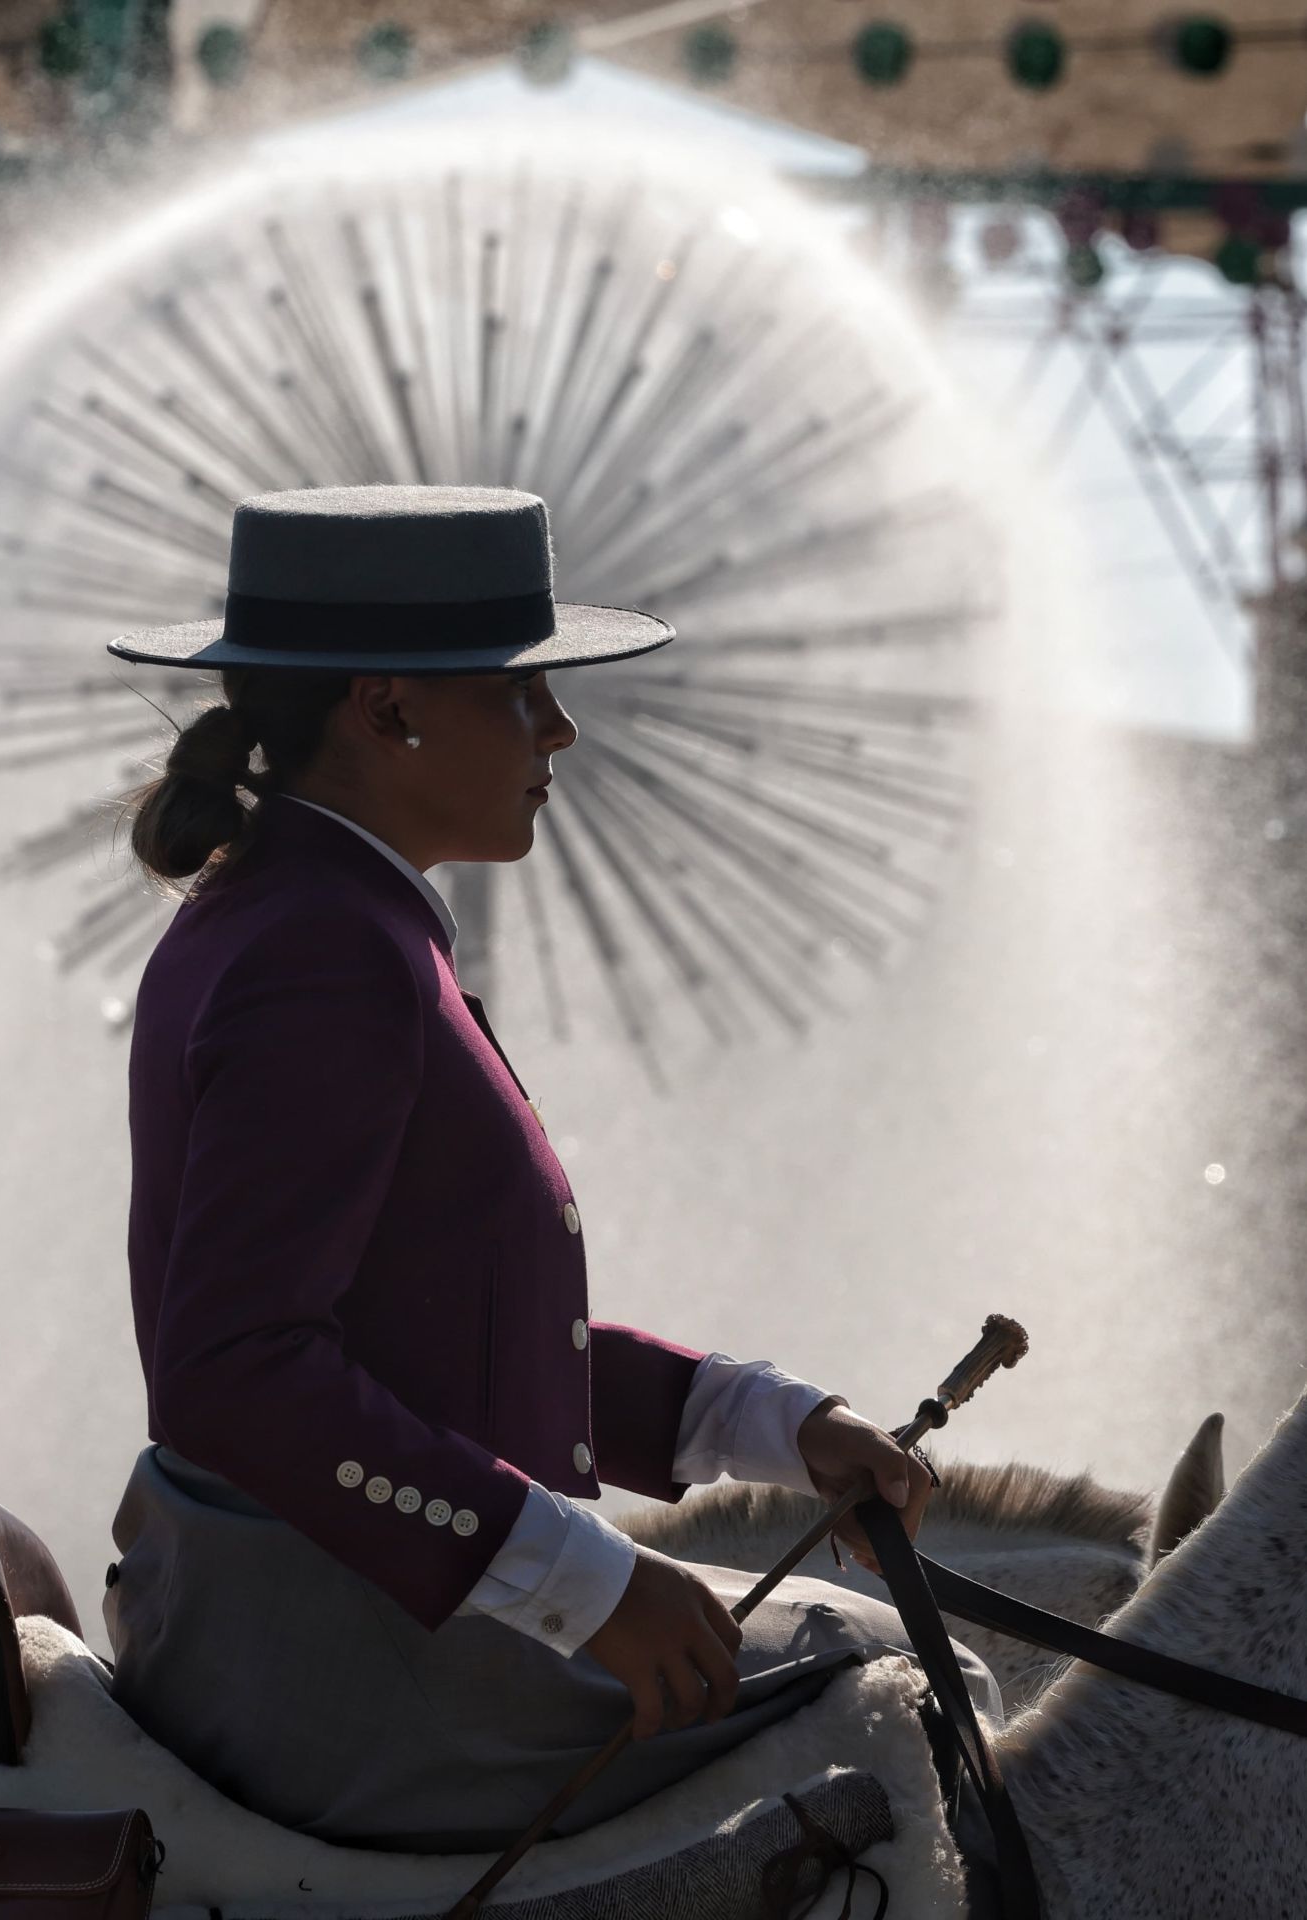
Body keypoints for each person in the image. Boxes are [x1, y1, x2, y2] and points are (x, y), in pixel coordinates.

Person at [101, 486, 995, 1852]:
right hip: (337, 1664)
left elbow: (439, 1337)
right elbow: (232, 1370)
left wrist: (770, 1424)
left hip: (324, 1609)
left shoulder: (315, 914)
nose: (560, 731)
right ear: (389, 708)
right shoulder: (325, 949)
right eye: (522, 694)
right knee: (914, 1697)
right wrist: (584, 1578)